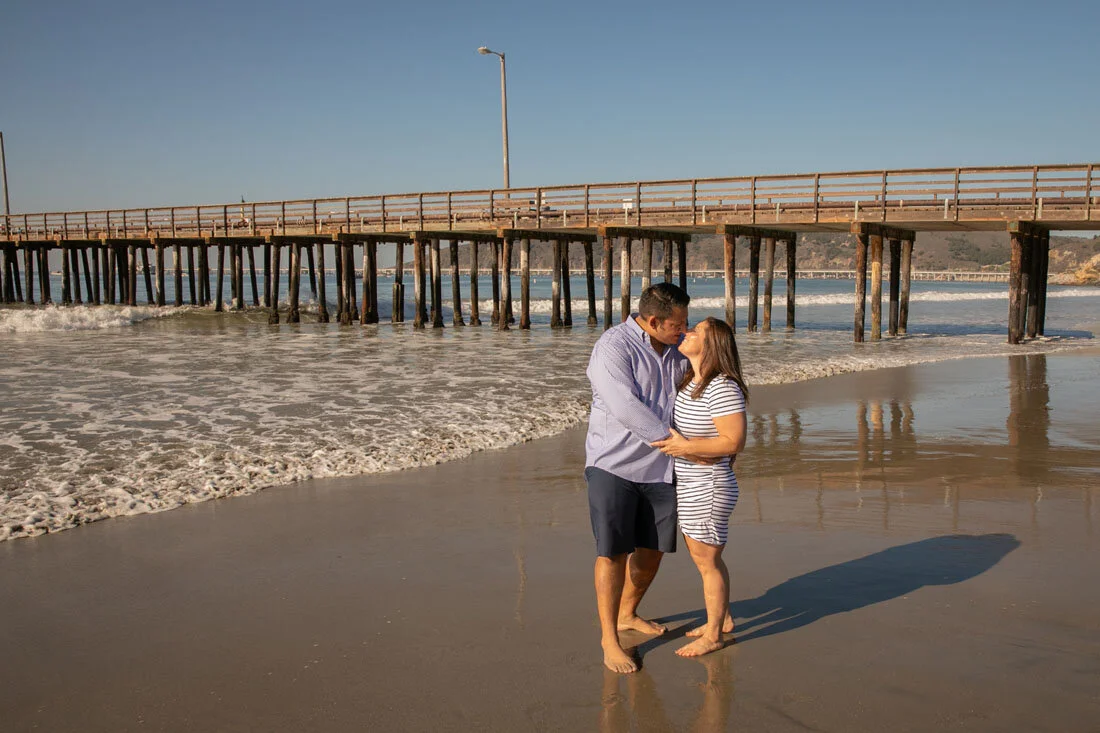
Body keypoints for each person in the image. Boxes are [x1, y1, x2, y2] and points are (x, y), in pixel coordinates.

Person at [585, 282, 692, 674]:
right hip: (612, 464)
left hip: (662, 468)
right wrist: (677, 442)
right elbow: (623, 405)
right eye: (678, 324)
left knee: (652, 550)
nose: (685, 329)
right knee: (613, 552)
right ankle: (609, 639)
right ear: (652, 321)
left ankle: (627, 614)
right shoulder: (613, 346)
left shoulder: (679, 348)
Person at [651, 317, 748, 657]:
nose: (686, 331)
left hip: (708, 486)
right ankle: (722, 620)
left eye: (696, 331)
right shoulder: (692, 380)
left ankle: (714, 636)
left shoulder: (722, 386)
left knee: (707, 562)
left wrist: (685, 447)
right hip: (694, 482)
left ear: (712, 345)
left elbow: (734, 441)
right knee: (707, 560)